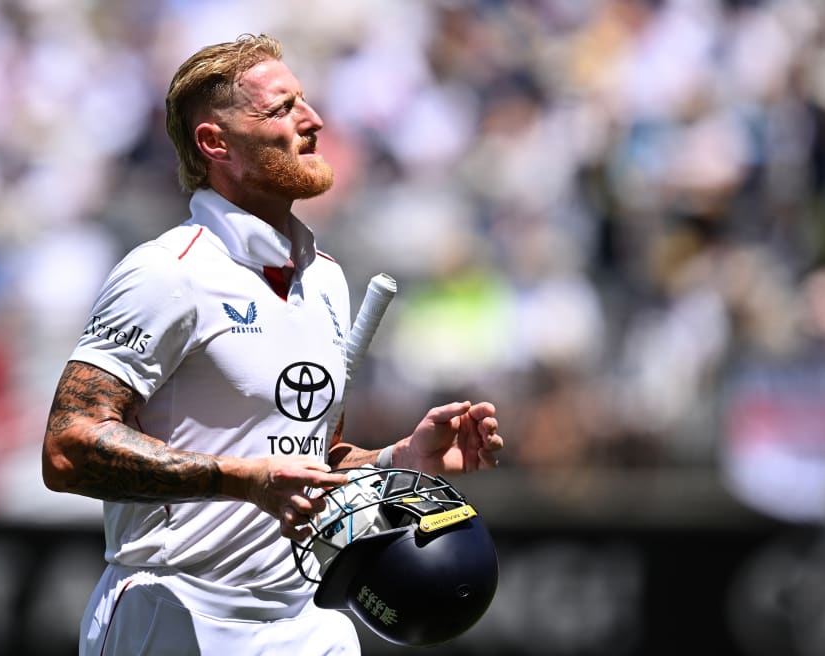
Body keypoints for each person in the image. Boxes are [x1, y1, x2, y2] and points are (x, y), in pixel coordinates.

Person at [41, 33, 504, 656]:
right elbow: (67, 448)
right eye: (282, 109)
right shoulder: (167, 273)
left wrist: (397, 458)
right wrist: (243, 480)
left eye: (305, 103)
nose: (313, 121)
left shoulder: (327, 278)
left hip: (306, 620)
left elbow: (305, 460)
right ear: (215, 143)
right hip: (172, 614)